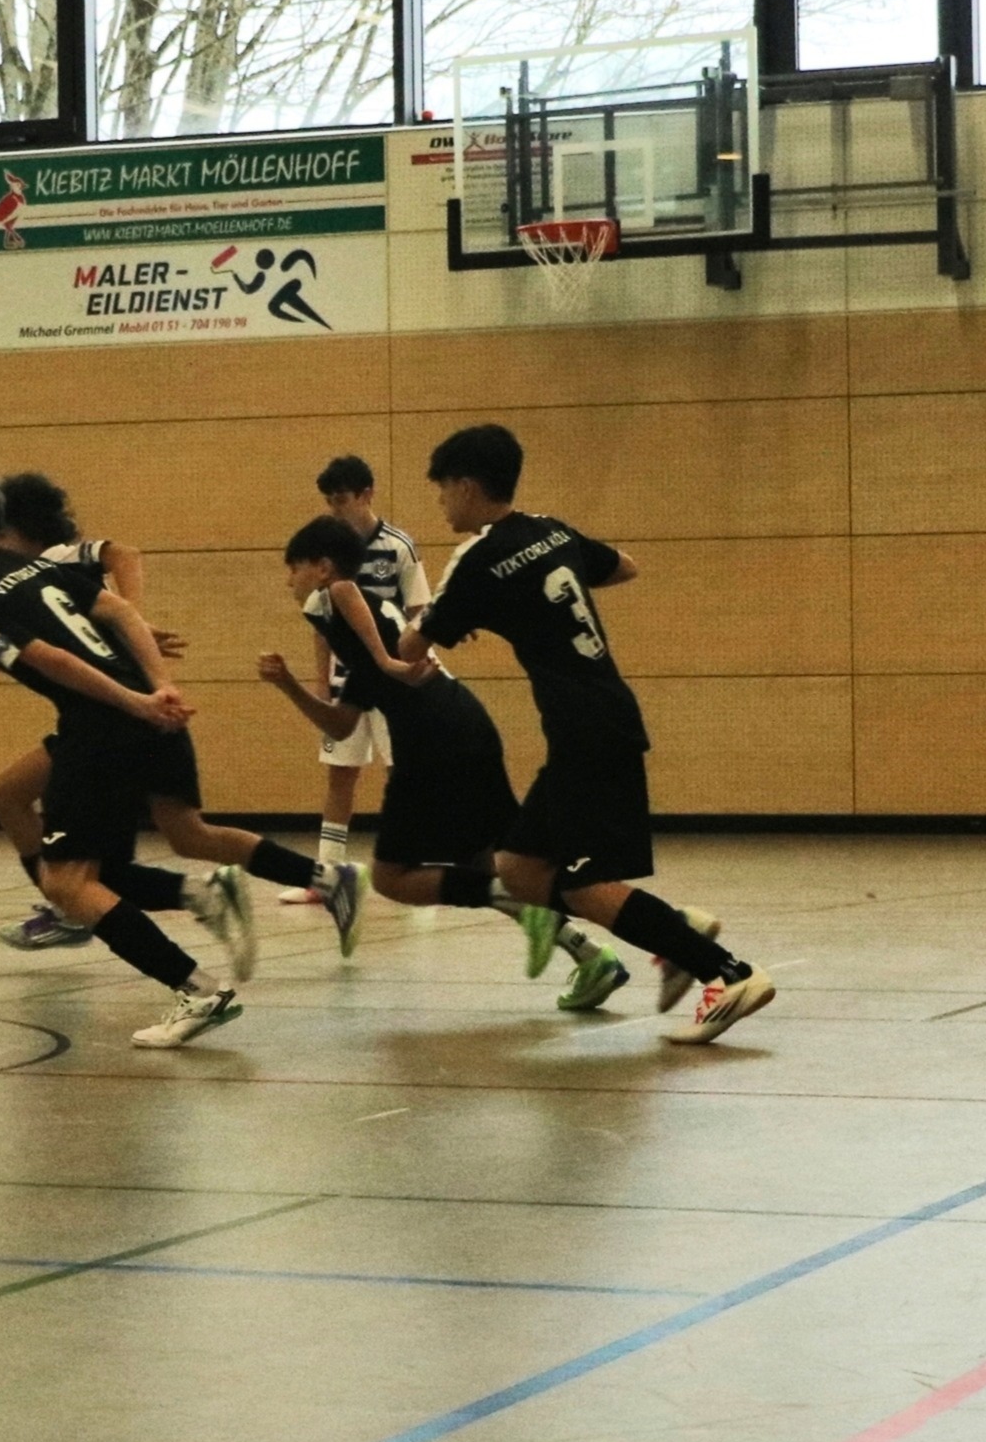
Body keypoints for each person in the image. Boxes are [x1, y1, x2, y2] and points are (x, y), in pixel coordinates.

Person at [398, 424, 772, 1046]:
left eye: (441, 490)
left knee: (583, 883)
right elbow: (625, 566)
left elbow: (412, 652)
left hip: (585, 730)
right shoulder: (552, 529)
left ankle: (726, 972)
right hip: (602, 718)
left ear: (465, 484)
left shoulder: (477, 559)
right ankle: (673, 930)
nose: (441, 504)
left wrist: (443, 618)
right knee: (517, 866)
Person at [0, 468, 260, 1047]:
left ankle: (197, 988)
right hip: (141, 716)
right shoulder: (35, 566)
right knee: (63, 852)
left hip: (103, 728)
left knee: (71, 884)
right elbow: (123, 614)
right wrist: (160, 686)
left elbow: (53, 658)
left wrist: (133, 702)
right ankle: (196, 897)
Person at [254, 516, 625, 1007]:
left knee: (392, 878)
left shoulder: (338, 598)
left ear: (321, 568)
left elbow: (345, 590)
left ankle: (623, 927)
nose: (288, 580)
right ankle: (605, 947)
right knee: (501, 867)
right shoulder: (362, 631)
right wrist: (288, 686)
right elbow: (342, 724)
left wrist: (388, 663)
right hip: (464, 726)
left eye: (293, 568)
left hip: (433, 742)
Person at [0, 474, 164, 953]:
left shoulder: (50, 560)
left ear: (22, 528)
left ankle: (204, 910)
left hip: (105, 721)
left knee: (109, 862)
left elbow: (126, 553)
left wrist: (132, 619)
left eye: (1, 532)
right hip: (97, 712)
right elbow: (52, 663)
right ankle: (70, 910)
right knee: (8, 796)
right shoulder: (28, 579)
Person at [276, 455, 432, 905]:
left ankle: (416, 868)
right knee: (339, 775)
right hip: (350, 678)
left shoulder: (398, 546)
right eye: (328, 501)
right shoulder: (325, 548)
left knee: (402, 771)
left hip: (393, 678)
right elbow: (322, 625)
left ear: (366, 494)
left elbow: (419, 610)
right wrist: (322, 682)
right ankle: (325, 877)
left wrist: (409, 664)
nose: (335, 507)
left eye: (341, 498)